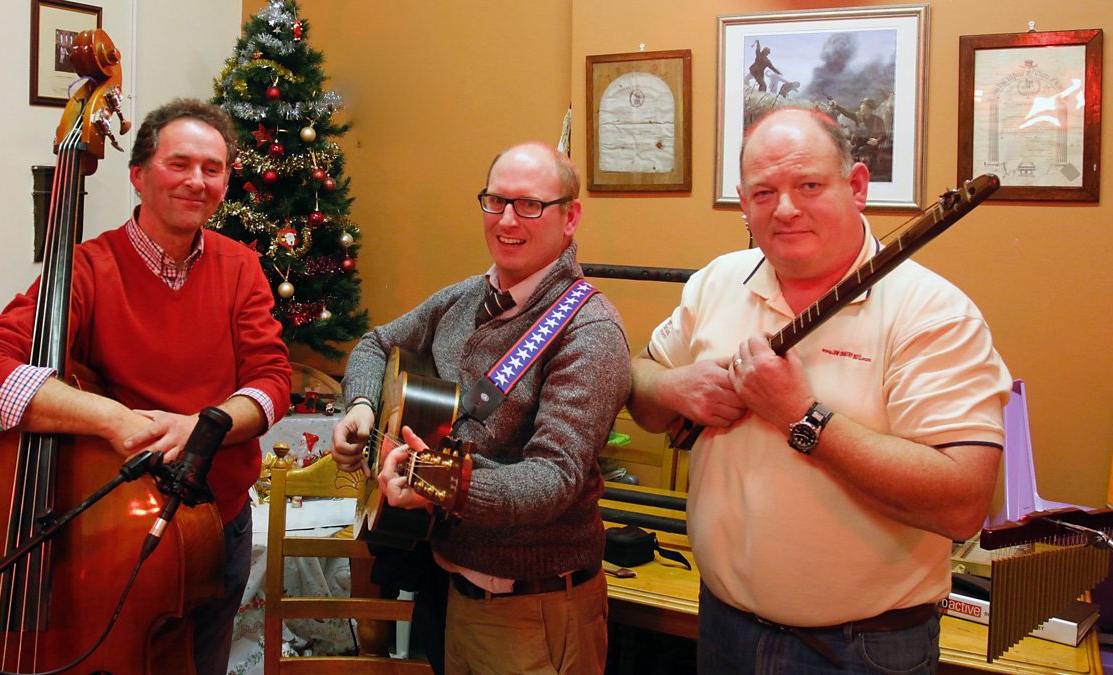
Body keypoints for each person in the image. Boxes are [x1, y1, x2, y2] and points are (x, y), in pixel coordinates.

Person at [628, 107, 1010, 674]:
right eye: (764, 192)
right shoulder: (716, 282)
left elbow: (962, 505)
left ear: (856, 186)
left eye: (808, 185)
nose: (785, 209)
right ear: (743, 202)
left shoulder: (934, 313)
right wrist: (673, 385)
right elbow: (638, 381)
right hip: (723, 624)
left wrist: (800, 415)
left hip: (863, 648)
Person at [0, 98, 291, 675]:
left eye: (213, 169)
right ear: (138, 175)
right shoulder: (86, 268)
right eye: (179, 164)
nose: (197, 181)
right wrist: (115, 419)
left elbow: (272, 380)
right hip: (112, 528)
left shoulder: (240, 266)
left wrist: (202, 427)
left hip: (215, 518)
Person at [331, 141, 630, 674]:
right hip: (447, 588)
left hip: (533, 612)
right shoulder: (463, 298)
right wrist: (361, 407)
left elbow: (553, 478)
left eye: (530, 204)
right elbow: (375, 344)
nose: (507, 220)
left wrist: (440, 483)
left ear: (570, 217)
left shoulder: (590, 331)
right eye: (496, 201)